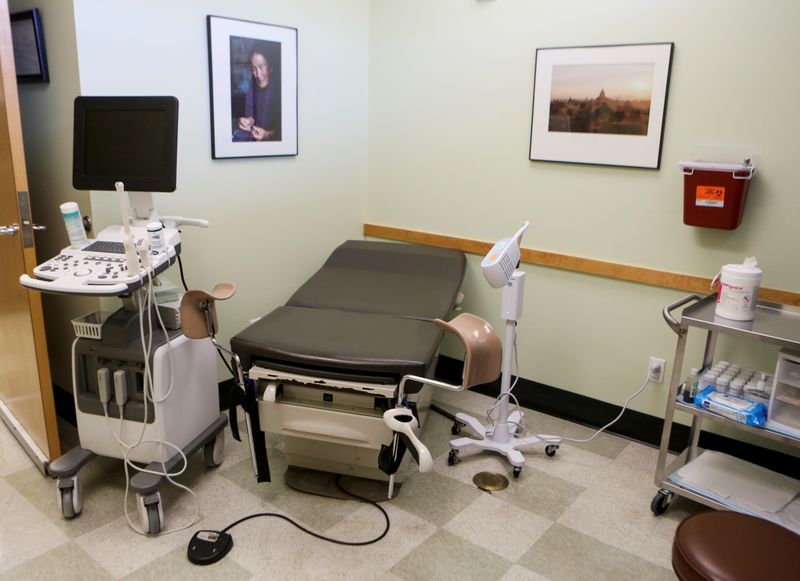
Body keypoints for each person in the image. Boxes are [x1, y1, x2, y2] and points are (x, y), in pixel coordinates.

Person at [233, 50, 281, 142]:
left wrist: (266, 134)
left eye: (261, 66)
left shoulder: (280, 87)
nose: (258, 74)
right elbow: (250, 111)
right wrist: (248, 122)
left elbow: (285, 131)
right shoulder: (252, 82)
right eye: (253, 68)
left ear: (270, 67)